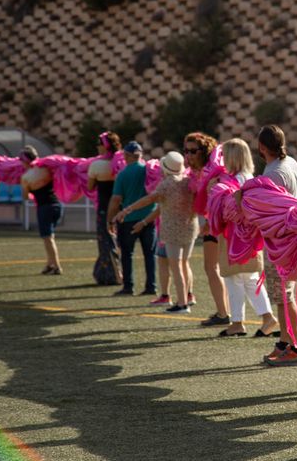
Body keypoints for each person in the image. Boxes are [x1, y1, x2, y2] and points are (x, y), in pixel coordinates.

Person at [114, 151, 198, 313]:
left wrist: (127, 210)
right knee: (184, 264)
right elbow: (162, 207)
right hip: (190, 228)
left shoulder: (166, 184)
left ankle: (182, 304)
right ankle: (187, 297)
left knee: (176, 266)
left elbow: (150, 200)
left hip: (173, 230)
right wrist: (144, 222)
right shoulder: (187, 181)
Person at [215, 138, 279, 338]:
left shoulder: (236, 181)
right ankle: (268, 318)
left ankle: (237, 322)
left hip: (237, 236)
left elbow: (234, 209)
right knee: (250, 278)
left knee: (234, 279)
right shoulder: (248, 177)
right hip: (248, 237)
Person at [257, 125, 297, 366]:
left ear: (262, 147)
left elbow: (270, 210)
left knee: (284, 296)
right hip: (291, 238)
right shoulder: (291, 163)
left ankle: (295, 348)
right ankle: (285, 343)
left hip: (281, 241)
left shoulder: (273, 173)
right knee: (285, 295)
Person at [184, 132, 230, 326]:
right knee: (217, 269)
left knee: (214, 269)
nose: (189, 155)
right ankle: (224, 312)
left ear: (204, 151)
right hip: (211, 225)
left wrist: (210, 223)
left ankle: (224, 314)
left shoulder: (214, 172)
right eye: (186, 151)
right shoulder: (200, 171)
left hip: (219, 226)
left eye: (193, 151)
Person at [107, 141, 157, 296]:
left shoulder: (123, 174)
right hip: (148, 218)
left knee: (127, 254)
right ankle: (151, 286)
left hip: (128, 220)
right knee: (150, 254)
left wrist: (110, 220)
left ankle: (128, 287)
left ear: (126, 156)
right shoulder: (148, 171)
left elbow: (116, 200)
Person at [20, 146, 63, 275]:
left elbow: (25, 196)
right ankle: (49, 264)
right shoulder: (46, 168)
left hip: (44, 208)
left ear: (25, 161)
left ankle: (56, 266)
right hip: (57, 205)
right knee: (50, 237)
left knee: (47, 238)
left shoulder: (26, 177)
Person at [87, 131, 123, 285]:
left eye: (99, 143)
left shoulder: (96, 165)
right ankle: (111, 272)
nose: (97, 146)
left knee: (106, 241)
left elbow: (90, 186)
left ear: (105, 146)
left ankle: (114, 275)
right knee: (120, 241)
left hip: (104, 208)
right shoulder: (122, 163)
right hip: (121, 207)